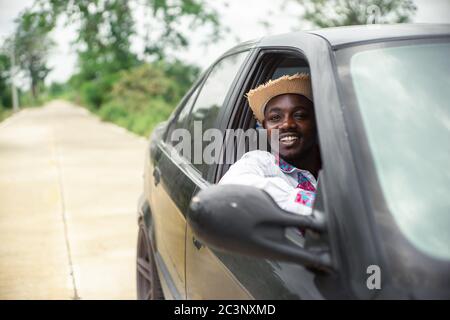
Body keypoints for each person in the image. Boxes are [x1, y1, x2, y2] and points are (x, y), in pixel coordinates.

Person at [219, 73, 321, 216]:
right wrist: (315, 205)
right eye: (275, 118)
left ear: (317, 120)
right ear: (265, 127)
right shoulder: (260, 163)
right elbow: (231, 187)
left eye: (299, 115)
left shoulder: (344, 160)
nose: (287, 124)